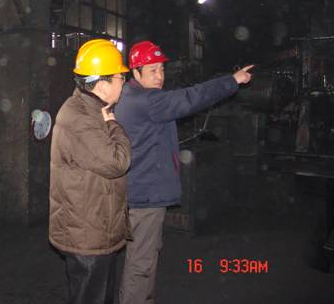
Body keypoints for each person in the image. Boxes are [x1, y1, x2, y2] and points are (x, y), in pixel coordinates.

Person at [115, 40, 253, 304]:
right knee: (142, 262)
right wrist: (232, 80)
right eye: (152, 70)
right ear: (136, 72)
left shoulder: (127, 95)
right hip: (146, 196)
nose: (159, 76)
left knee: (139, 256)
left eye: (161, 69)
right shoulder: (148, 101)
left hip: (134, 188)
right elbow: (191, 98)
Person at [49, 39, 132, 304]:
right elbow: (117, 162)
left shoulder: (91, 109)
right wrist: (114, 125)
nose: (124, 83)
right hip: (87, 235)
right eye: (120, 77)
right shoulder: (80, 118)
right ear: (103, 84)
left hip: (96, 228)